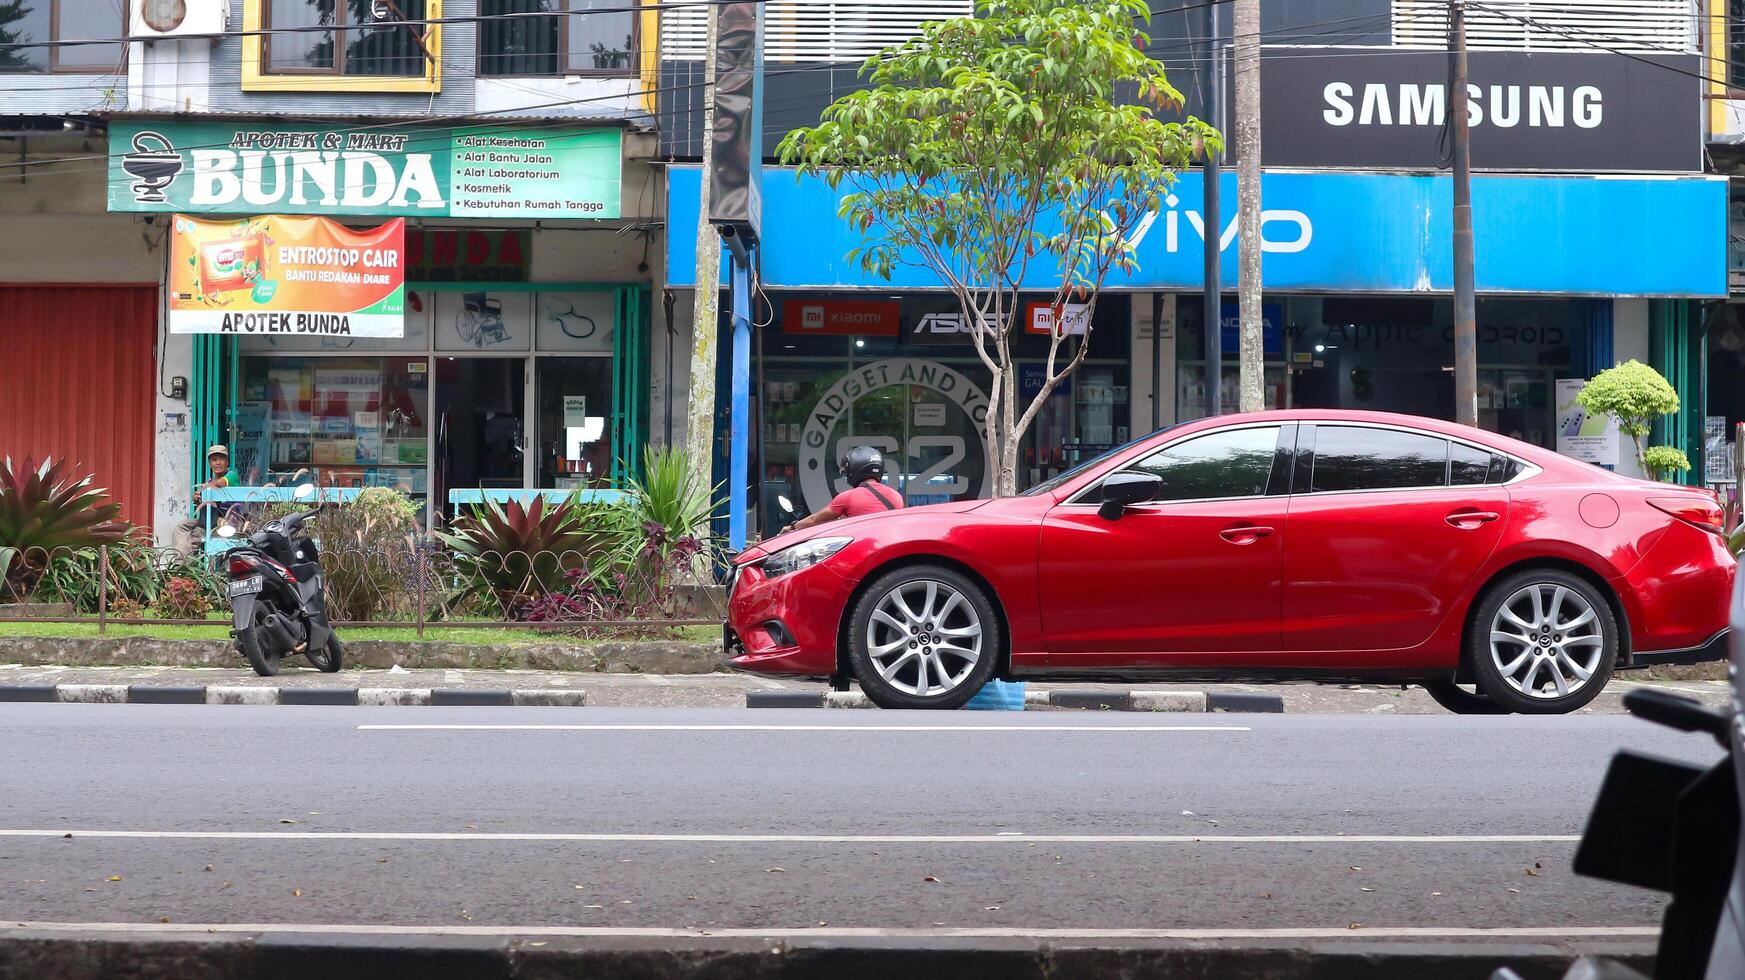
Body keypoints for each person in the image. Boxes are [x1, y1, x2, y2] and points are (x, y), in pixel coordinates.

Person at [788, 446, 904, 532]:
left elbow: (815, 520)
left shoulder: (847, 497)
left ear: (853, 469)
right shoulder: (896, 496)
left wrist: (792, 527)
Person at [173, 445, 234, 557]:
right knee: (181, 526)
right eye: (214, 460)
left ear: (227, 462)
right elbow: (203, 505)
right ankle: (181, 562)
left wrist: (201, 490)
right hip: (209, 519)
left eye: (221, 459)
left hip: (226, 521)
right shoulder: (209, 481)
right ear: (210, 463)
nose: (218, 463)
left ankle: (184, 564)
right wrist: (197, 499)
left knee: (196, 535)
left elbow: (219, 483)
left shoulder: (232, 476)